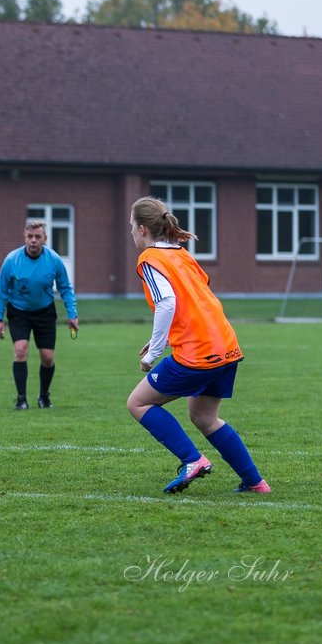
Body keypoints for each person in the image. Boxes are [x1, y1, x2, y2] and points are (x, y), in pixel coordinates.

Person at [126, 196, 269, 494]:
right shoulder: (181, 253)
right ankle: (256, 483)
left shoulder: (149, 258)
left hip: (199, 352)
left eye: (131, 227)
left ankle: (193, 460)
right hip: (226, 345)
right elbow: (196, 299)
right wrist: (162, 337)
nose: (130, 233)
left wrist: (154, 352)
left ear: (142, 229)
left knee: (138, 403)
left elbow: (167, 302)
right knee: (204, 417)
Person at [0, 220, 79, 409]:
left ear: (45, 239)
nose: (33, 240)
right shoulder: (12, 260)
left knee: (47, 357)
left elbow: (65, 288)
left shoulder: (54, 260)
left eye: (37, 237)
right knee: (20, 350)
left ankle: (43, 397)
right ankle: (21, 399)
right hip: (18, 312)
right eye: (30, 236)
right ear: (25, 238)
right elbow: (1, 291)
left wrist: (72, 315)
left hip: (45, 312)